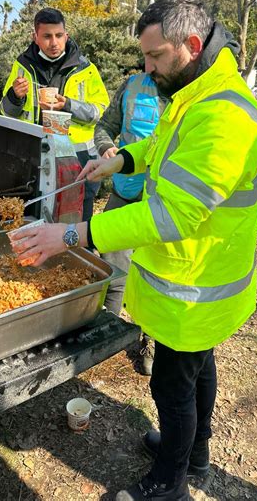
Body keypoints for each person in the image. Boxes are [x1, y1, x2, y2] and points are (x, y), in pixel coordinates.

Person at [9, 0, 257, 501]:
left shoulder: (226, 117)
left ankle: (168, 483)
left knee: (173, 389)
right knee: (197, 372)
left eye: (155, 57)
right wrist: (122, 160)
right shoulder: (199, 90)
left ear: (191, 45)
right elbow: (160, 147)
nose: (147, 70)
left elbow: (172, 214)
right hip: (198, 278)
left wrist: (71, 235)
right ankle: (192, 455)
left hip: (197, 285)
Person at [1, 7, 109, 221]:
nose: (54, 42)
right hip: (34, 155)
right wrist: (15, 96)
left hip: (78, 156)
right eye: (47, 36)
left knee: (76, 223)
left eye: (59, 35)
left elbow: (101, 112)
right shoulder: (22, 65)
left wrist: (68, 105)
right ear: (36, 37)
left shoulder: (86, 68)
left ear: (66, 35)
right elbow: (5, 111)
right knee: (35, 216)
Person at [94, 72, 168, 375]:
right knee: (112, 264)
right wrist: (106, 148)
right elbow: (104, 127)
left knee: (157, 273)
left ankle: (151, 338)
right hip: (124, 192)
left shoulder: (184, 94)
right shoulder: (132, 85)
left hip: (161, 202)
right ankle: (106, 330)